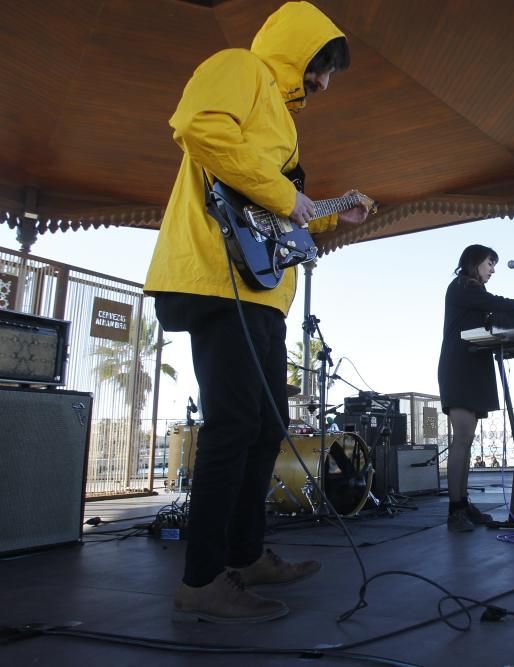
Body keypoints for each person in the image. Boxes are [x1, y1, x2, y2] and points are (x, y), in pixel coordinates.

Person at [144, 2, 369, 624]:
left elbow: (269, 211)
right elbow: (199, 128)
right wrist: (288, 195)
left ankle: (244, 556)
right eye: (321, 67)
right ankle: (200, 580)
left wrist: (327, 213)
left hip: (262, 293)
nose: (323, 84)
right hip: (217, 281)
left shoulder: (285, 125)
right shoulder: (238, 67)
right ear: (299, 52)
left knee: (266, 431)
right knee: (232, 426)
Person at [437, 244, 514, 532]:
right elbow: (498, 303)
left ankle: (463, 502)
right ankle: (455, 510)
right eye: (490, 263)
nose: (493, 270)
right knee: (463, 438)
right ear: (475, 261)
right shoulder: (462, 286)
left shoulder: (470, 290)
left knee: (467, 441)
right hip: (459, 367)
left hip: (473, 365)